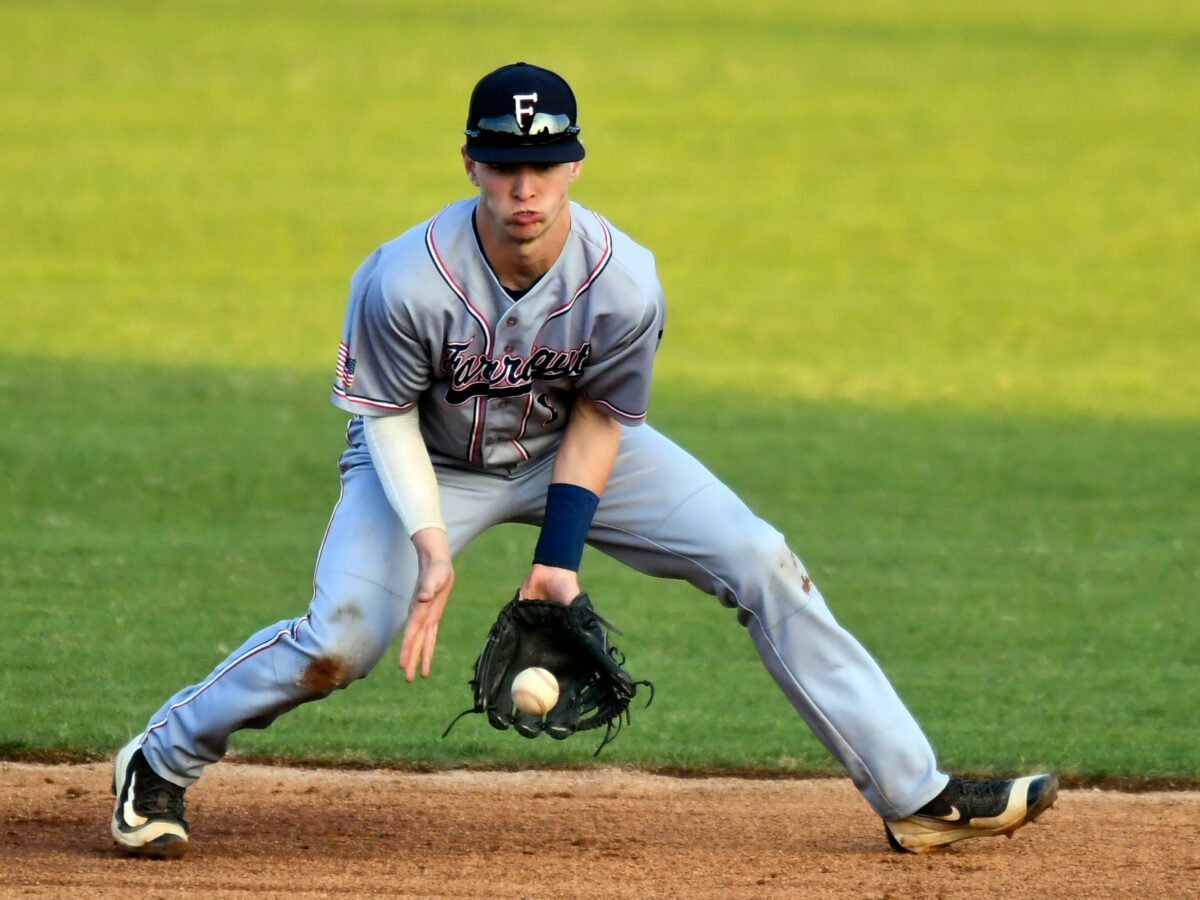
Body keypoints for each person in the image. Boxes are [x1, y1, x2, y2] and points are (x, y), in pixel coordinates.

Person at [111, 62, 1057, 859]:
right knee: (340, 642)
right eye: (507, 165)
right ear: (472, 162)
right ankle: (162, 756)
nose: (526, 189)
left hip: (570, 444)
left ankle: (913, 795)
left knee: (759, 557)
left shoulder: (623, 279)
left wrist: (557, 558)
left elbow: (603, 414)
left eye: (545, 164)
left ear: (574, 164)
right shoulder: (402, 279)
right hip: (425, 461)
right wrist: (434, 546)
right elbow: (388, 415)